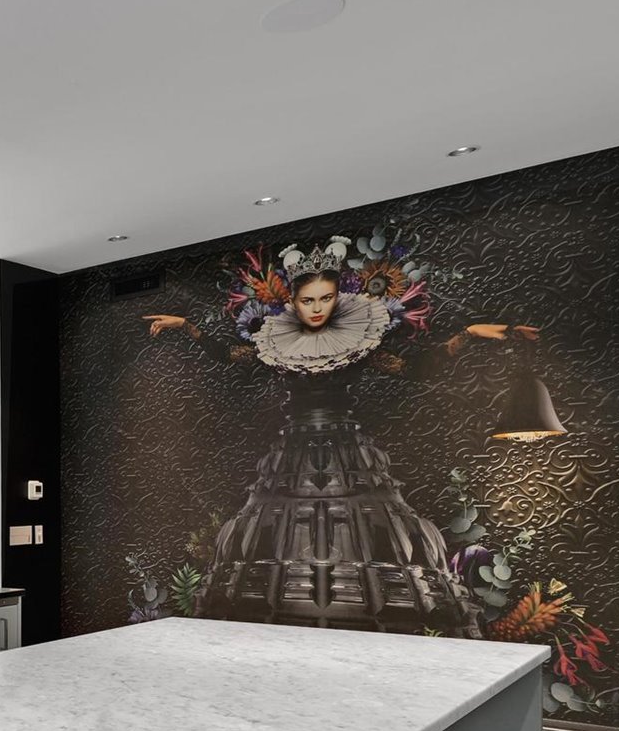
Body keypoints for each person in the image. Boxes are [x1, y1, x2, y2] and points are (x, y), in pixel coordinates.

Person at [139, 237, 536, 636]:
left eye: (324, 299)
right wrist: (186, 327)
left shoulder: (357, 341)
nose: (316, 309)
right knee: (275, 544)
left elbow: (413, 368)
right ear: (293, 302)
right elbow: (229, 356)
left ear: (336, 298)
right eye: (308, 301)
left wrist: (466, 335)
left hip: (347, 450)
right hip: (291, 452)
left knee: (368, 541)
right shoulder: (276, 344)